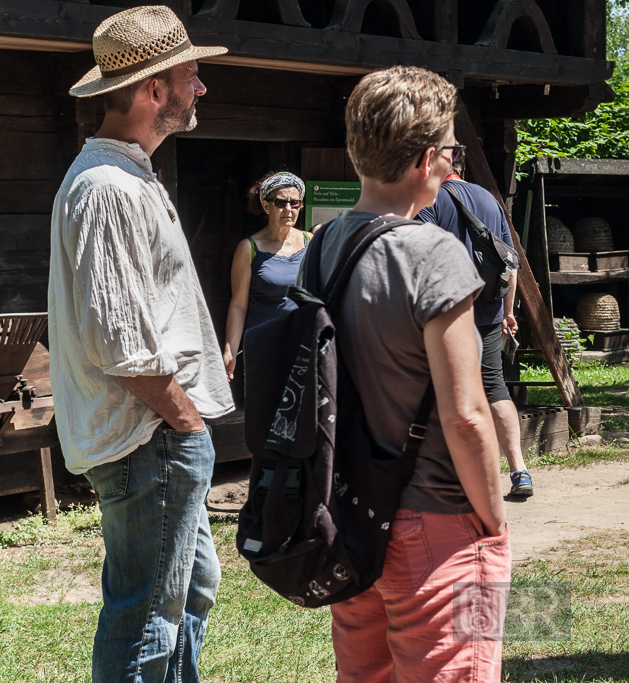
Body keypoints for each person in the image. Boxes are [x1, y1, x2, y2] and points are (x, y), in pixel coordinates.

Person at [302, 66, 510, 682]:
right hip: (436, 518)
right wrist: (493, 521)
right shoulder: (433, 252)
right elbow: (466, 412)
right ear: (425, 160)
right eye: (449, 151)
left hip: (352, 510)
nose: (453, 164)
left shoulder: (324, 243)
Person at [48, 6, 233, 681]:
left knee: (189, 589)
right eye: (192, 76)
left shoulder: (127, 177)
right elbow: (118, 339)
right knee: (147, 615)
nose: (201, 89)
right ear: (154, 89)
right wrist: (184, 422)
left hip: (157, 433)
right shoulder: (107, 187)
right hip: (148, 434)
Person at [417, 159, 533, 496]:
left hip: (446, 315)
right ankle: (519, 470)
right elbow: (509, 262)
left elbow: (424, 260)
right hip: (488, 311)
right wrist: (507, 310)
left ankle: (453, 477)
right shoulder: (489, 200)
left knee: (439, 389)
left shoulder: (430, 200)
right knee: (495, 387)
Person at [223, 172, 311, 382]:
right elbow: (238, 305)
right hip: (265, 349)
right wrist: (230, 351)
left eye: (294, 202)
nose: (288, 209)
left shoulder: (311, 242)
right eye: (280, 202)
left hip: (303, 347)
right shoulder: (249, 248)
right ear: (266, 206)